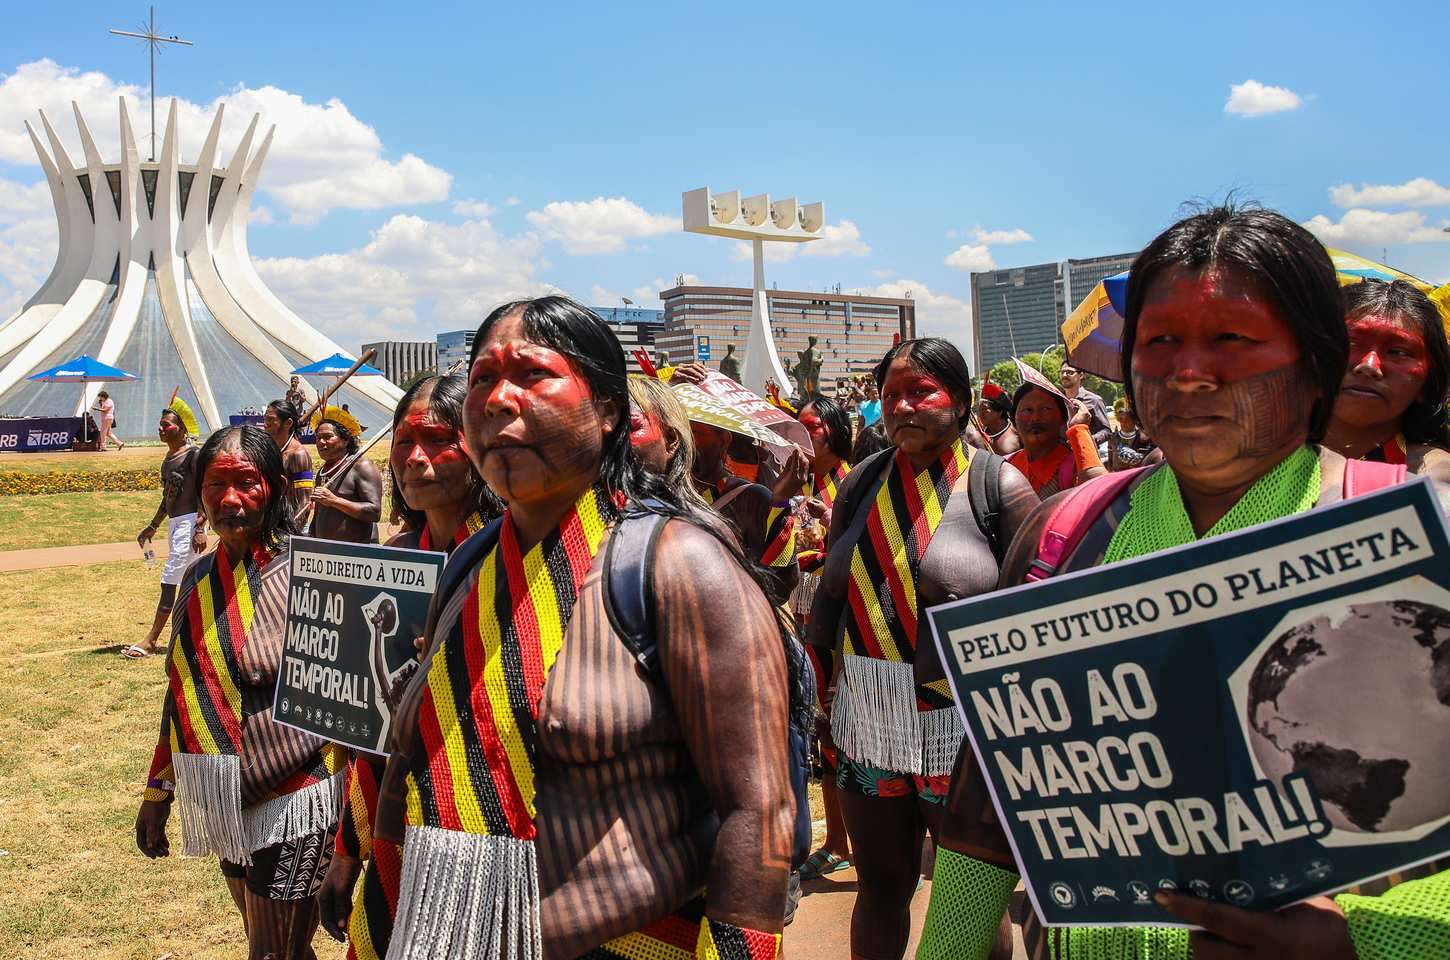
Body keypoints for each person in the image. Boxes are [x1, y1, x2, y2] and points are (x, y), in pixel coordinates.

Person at [920, 204, 1450, 960]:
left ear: (1316, 362)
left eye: (1232, 340)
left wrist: (1364, 941)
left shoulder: (1419, 537)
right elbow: (990, 810)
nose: (1188, 373)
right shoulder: (1063, 533)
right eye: (1160, 341)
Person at [368, 296, 797, 958]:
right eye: (483, 377)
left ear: (607, 412)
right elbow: (413, 762)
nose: (498, 400)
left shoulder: (678, 565)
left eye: (533, 373)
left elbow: (758, 810)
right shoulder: (469, 565)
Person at [805, 337, 1038, 960]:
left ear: (959, 401)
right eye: (891, 395)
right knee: (881, 886)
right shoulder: (860, 485)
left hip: (960, 723)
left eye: (921, 391)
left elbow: (1037, 612)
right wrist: (814, 686)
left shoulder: (1000, 487)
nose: (904, 406)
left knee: (969, 898)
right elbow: (829, 596)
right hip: (867, 715)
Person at [135, 425, 345, 960]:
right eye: (215, 484)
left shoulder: (311, 575)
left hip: (298, 797)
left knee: (271, 954)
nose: (229, 499)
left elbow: (352, 704)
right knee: (276, 947)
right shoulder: (198, 577)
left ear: (273, 487)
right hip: (225, 793)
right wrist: (158, 790)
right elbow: (181, 691)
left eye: (246, 483)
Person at [315, 374, 501, 960]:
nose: (415, 460)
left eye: (438, 439)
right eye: (402, 443)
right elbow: (370, 732)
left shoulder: (514, 561)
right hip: (400, 822)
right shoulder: (392, 564)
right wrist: (347, 848)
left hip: (495, 830)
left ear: (477, 445)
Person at [792, 395, 856, 883]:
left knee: (847, 730)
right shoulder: (798, 481)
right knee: (823, 731)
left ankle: (863, 839)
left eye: (810, 428)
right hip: (806, 619)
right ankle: (836, 839)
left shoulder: (855, 481)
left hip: (847, 625)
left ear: (833, 431)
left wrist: (828, 521)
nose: (804, 436)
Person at [1323, 278, 1450, 477]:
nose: (1369, 366)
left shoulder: (1435, 479)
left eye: (1398, 352)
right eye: (1351, 343)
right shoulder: (1264, 461)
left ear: (1427, 382)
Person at [125, 397, 207, 659]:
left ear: (181, 428)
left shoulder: (194, 455)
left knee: (170, 579)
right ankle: (196, 636)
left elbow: (204, 490)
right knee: (190, 581)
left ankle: (151, 639)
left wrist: (200, 527)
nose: (160, 429)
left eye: (166, 425)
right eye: (159, 425)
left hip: (191, 523)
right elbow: (169, 496)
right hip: (176, 524)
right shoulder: (168, 459)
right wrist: (152, 526)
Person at [689, 419, 800, 605]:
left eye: (693, 432)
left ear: (724, 440)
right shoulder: (660, 497)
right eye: (673, 432)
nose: (682, 442)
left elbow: (780, 586)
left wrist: (781, 502)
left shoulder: (751, 498)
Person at [1007, 359, 1106, 497]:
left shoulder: (1074, 466)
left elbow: (1098, 494)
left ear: (1062, 419)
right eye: (1027, 410)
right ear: (1013, 418)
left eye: (1045, 409)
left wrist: (1078, 430)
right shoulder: (1006, 467)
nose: (1035, 418)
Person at [308, 407, 382, 544]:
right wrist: (311, 538)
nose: (321, 442)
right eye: (318, 438)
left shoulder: (362, 466)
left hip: (358, 554)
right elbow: (319, 514)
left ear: (345, 440)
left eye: (328, 437)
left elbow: (374, 512)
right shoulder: (322, 472)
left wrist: (334, 501)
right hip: (327, 554)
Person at [264, 397, 315, 516]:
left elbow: (305, 501)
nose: (265, 425)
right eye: (265, 419)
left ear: (288, 423)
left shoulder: (298, 455)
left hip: (289, 524)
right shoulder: (270, 450)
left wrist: (292, 532)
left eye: (270, 420)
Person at [1058, 361, 1111, 444]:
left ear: (1081, 375)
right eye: (1062, 372)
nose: (1064, 375)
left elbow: (1106, 431)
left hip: (1086, 453)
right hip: (1061, 455)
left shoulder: (1095, 400)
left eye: (1069, 372)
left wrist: (1087, 440)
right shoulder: (1056, 400)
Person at [1103, 396, 1156, 470]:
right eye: (1121, 419)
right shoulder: (1113, 437)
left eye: (1127, 419)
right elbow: (1110, 461)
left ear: (1135, 420)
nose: (1123, 422)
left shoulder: (1144, 438)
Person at [974, 382, 1020, 456]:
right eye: (980, 409)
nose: (980, 413)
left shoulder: (1017, 433)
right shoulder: (977, 435)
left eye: (985, 409)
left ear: (999, 412)